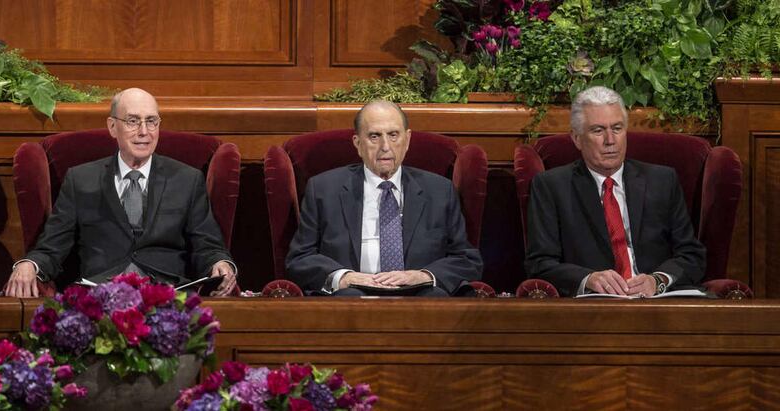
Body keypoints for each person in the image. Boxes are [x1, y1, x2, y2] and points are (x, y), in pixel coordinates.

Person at [4, 88, 237, 297]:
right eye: (133, 121)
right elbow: (52, 247)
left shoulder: (187, 179)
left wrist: (220, 263)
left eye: (151, 121)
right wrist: (29, 265)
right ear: (112, 127)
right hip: (99, 298)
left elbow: (208, 245)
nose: (144, 131)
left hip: (167, 298)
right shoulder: (80, 179)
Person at [286, 100, 482, 296]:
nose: (385, 146)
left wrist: (424, 276)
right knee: (349, 298)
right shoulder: (324, 189)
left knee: (434, 298)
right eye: (374, 136)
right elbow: (300, 259)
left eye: (393, 135)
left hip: (419, 295)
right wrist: (344, 277)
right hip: (352, 296)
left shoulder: (439, 191)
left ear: (407, 140)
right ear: (358, 143)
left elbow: (466, 260)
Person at [524, 86, 705, 297]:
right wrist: (588, 278)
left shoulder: (662, 180)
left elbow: (691, 255)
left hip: (658, 301)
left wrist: (658, 280)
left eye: (617, 128)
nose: (610, 140)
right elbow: (540, 263)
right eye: (598, 130)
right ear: (577, 138)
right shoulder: (552, 186)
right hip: (595, 305)